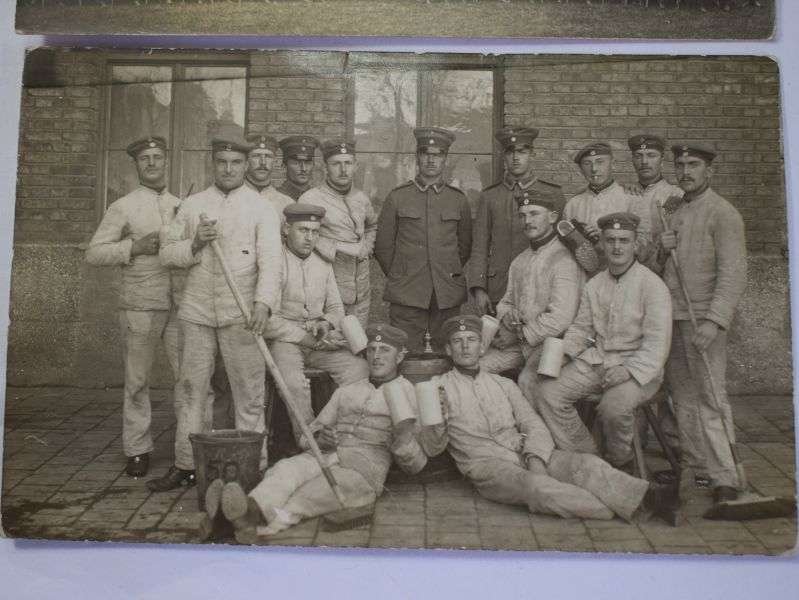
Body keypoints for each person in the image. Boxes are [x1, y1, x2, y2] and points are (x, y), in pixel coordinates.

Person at [425, 315, 678, 522]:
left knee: (586, 464)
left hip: (525, 452)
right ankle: (630, 505)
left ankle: (647, 499)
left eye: (471, 340)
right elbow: (432, 447)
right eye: (457, 341)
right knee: (537, 488)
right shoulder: (437, 389)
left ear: (482, 347)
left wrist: (535, 457)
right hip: (489, 466)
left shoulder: (503, 384)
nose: (465, 346)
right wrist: (437, 423)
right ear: (448, 349)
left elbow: (532, 423)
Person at [148, 129, 282, 492]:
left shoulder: (261, 208)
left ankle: (256, 466)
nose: (228, 169)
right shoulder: (193, 206)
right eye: (221, 162)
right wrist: (194, 243)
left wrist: (264, 304)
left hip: (242, 314)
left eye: (236, 162)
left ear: (246, 164)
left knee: (249, 393)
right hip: (196, 312)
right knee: (191, 390)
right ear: (213, 163)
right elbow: (166, 254)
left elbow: (272, 262)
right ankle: (187, 464)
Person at [211, 323, 429, 543]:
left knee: (311, 493)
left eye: (385, 350)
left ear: (400, 356)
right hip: (324, 454)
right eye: (372, 349)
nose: (376, 356)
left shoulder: (410, 394)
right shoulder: (348, 390)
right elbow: (309, 435)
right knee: (285, 470)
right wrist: (319, 438)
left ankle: (249, 522)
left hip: (364, 469)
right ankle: (247, 511)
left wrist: (403, 437)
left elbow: (416, 464)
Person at [537, 213, 672, 470]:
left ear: (635, 245)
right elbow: (581, 328)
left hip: (639, 369)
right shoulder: (595, 284)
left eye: (624, 240)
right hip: (598, 361)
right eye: (610, 240)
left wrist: (628, 371)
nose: (617, 247)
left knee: (613, 407)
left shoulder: (652, 285)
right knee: (547, 392)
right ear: (602, 244)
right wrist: (564, 354)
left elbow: (657, 344)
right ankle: (587, 456)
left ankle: (621, 461)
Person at [85, 136, 180, 478]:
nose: (152, 163)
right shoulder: (123, 206)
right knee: (138, 381)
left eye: (157, 157)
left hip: (178, 306)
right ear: (137, 165)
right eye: (145, 159)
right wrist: (134, 247)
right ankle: (137, 449)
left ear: (166, 160)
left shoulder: (180, 204)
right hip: (140, 304)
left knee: (188, 378)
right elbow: (94, 253)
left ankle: (188, 448)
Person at [659, 144, 747, 505]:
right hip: (674, 316)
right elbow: (660, 266)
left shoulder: (723, 213)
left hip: (702, 321)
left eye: (693, 165)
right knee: (682, 397)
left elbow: (733, 273)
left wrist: (715, 320)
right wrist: (663, 248)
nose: (685, 171)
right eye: (679, 165)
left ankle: (725, 475)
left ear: (709, 170)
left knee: (710, 396)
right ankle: (695, 467)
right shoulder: (677, 211)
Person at [264, 203, 370, 444]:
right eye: (303, 230)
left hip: (318, 340)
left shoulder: (322, 263)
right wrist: (306, 337)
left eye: (315, 231)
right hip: (284, 342)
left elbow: (336, 309)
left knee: (359, 369)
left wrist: (326, 322)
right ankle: (309, 439)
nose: (309, 237)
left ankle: (341, 432)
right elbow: (268, 320)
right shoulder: (274, 262)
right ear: (286, 228)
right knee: (292, 382)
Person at [479, 191, 584, 405]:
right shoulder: (521, 260)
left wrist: (519, 335)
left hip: (555, 343)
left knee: (529, 381)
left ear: (553, 217)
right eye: (523, 215)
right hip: (521, 340)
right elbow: (506, 302)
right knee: (478, 364)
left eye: (534, 214)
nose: (527, 221)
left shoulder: (563, 260)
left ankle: (537, 435)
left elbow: (560, 319)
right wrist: (507, 317)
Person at [374, 126, 472, 352]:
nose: (431, 160)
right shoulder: (398, 197)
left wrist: (445, 271)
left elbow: (464, 246)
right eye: (426, 153)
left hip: (446, 292)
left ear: (445, 159)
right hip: (407, 292)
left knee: (447, 354)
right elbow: (383, 246)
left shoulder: (457, 200)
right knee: (406, 355)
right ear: (417, 157)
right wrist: (401, 274)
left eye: (437, 155)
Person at [467, 126, 565, 316]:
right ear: (504, 156)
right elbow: (479, 246)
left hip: (541, 285)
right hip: (499, 288)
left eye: (522, 151)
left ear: (532, 154)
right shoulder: (490, 196)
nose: (516, 158)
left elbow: (561, 246)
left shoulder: (553, 194)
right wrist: (479, 288)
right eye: (510, 152)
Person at [628, 133, 684, 458]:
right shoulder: (631, 196)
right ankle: (640, 437)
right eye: (639, 156)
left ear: (660, 160)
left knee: (669, 370)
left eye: (650, 156)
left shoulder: (675, 195)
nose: (644, 162)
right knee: (639, 360)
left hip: (667, 288)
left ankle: (673, 441)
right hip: (638, 288)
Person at [299, 139, 377, 327]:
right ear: (325, 167)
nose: (343, 170)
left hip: (361, 289)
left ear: (355, 166)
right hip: (328, 288)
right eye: (336, 164)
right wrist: (337, 248)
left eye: (348, 163)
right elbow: (300, 237)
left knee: (358, 344)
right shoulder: (311, 198)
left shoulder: (361, 198)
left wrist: (366, 247)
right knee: (330, 343)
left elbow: (372, 225)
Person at [563, 142, 653, 267]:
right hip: (584, 275)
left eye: (600, 162)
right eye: (587, 163)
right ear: (580, 169)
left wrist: (605, 242)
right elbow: (565, 247)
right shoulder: (573, 204)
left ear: (613, 164)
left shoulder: (633, 199)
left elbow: (645, 246)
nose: (594, 169)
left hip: (622, 274)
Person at [244, 132, 294, 216]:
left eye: (268, 156)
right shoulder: (232, 198)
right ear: (246, 161)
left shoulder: (286, 203)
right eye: (256, 156)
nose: (263, 162)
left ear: (275, 162)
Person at [277, 135, 319, 201]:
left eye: (308, 163)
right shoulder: (276, 196)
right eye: (296, 163)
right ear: (284, 166)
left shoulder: (318, 198)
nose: (304, 169)